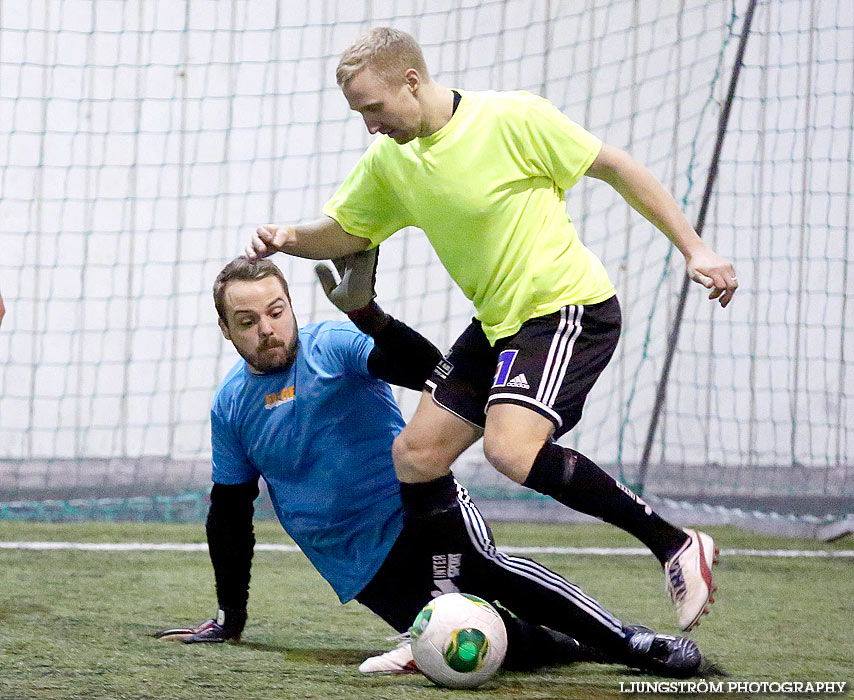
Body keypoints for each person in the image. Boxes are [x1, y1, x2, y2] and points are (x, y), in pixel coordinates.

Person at [245, 27, 735, 632]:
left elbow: (616, 167)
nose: (370, 125)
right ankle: (450, 612)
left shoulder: (513, 119)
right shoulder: (390, 161)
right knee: (417, 455)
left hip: (566, 309)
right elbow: (348, 230)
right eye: (358, 113)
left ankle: (675, 544)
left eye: (374, 108)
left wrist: (696, 249)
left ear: (412, 80)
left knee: (509, 449)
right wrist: (290, 237)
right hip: (497, 325)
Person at [155, 254, 703, 680]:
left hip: (417, 510)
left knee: (490, 571)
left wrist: (370, 316)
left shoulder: (332, 346)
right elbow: (229, 512)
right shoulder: (230, 405)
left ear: (291, 306)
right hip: (362, 569)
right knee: (489, 644)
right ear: (227, 329)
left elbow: (430, 371)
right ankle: (578, 646)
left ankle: (632, 641)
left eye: (276, 312)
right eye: (247, 321)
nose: (268, 329)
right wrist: (232, 617)